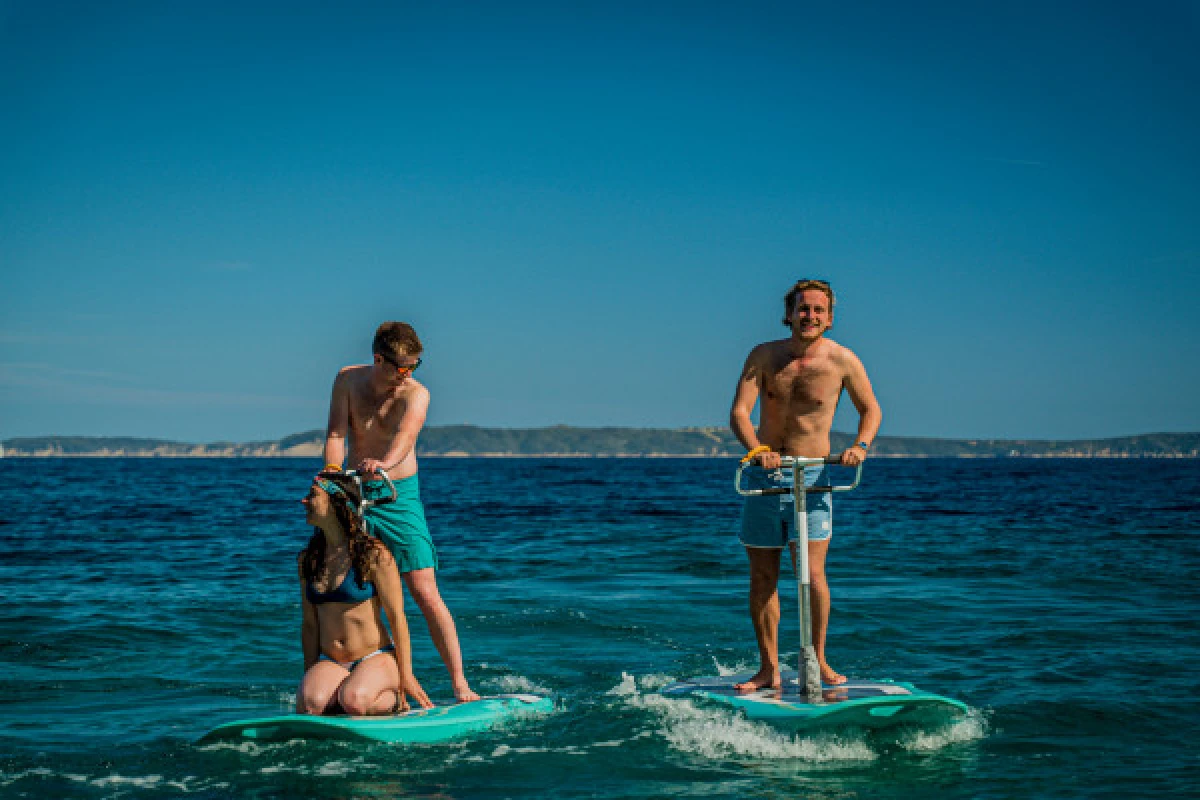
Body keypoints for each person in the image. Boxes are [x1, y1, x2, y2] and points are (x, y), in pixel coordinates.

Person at [729, 279, 882, 690]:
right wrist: (757, 448)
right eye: (802, 308)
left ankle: (819, 659)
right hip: (765, 475)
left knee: (813, 575)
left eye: (818, 310)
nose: (809, 316)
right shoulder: (763, 356)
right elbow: (740, 413)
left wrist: (860, 447)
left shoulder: (843, 360)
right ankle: (768, 669)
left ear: (829, 318)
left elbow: (871, 409)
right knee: (763, 577)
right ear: (789, 313)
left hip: (814, 475)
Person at [323, 321, 480, 703]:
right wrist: (331, 476)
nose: (408, 375)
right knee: (356, 592)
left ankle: (460, 683)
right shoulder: (347, 380)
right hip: (353, 490)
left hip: (398, 496)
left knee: (424, 591)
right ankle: (380, 681)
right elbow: (336, 436)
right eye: (402, 367)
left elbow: (405, 438)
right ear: (379, 358)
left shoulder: (417, 394)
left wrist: (383, 464)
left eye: (414, 366)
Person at [296, 472, 433, 715]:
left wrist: (407, 676)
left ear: (336, 502)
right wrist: (310, 674)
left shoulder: (374, 555)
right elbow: (310, 625)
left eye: (312, 496)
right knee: (310, 704)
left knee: (354, 701)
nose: (303, 501)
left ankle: (391, 695)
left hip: (374, 656)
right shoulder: (309, 559)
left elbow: (397, 618)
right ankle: (338, 694)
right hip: (332, 660)